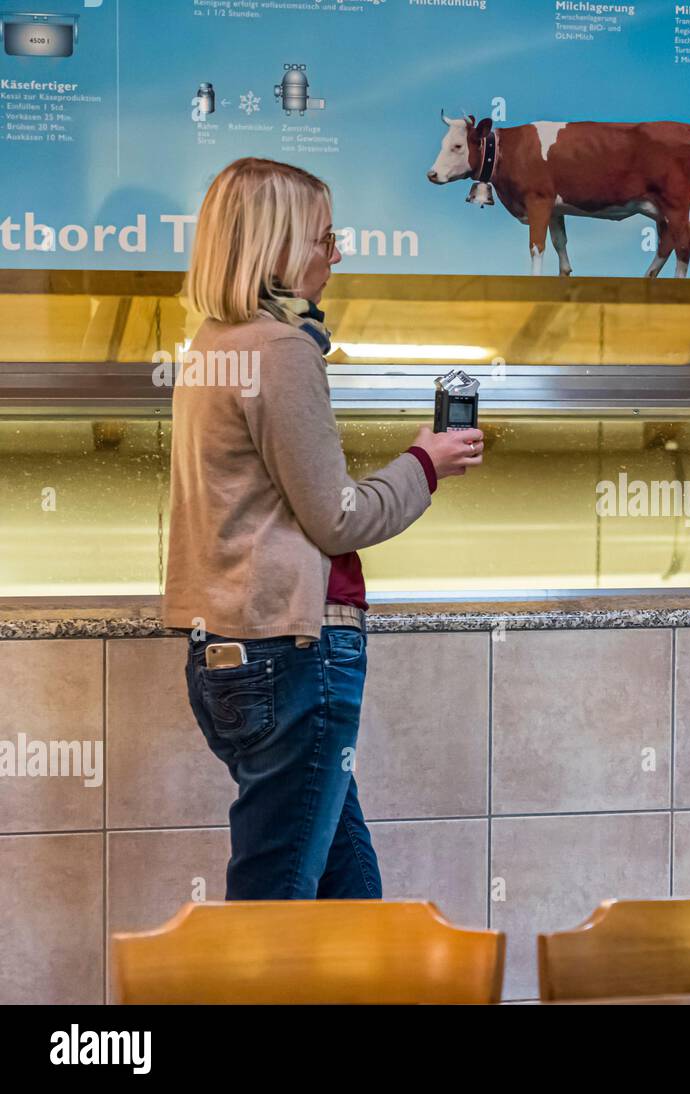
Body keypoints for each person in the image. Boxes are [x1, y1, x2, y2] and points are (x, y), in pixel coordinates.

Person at [162, 157, 484, 899]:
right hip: (291, 654)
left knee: (347, 896)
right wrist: (425, 462)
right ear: (275, 247)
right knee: (275, 910)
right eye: (323, 240)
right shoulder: (278, 349)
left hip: (230, 654)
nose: (333, 257)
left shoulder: (211, 346)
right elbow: (338, 518)